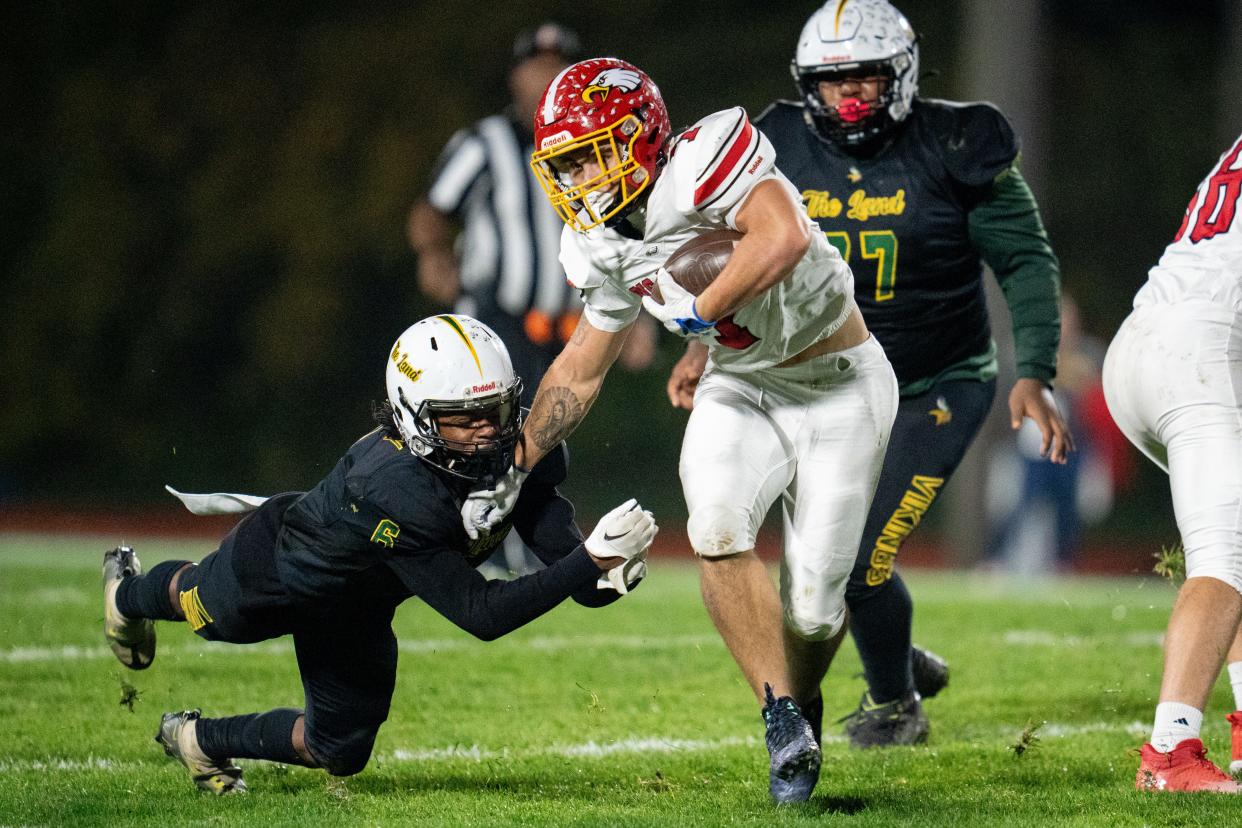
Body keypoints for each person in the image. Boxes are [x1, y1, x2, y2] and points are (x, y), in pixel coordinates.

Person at [462, 57, 900, 803]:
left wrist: (700, 312)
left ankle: (804, 696)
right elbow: (582, 364)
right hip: (742, 386)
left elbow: (783, 237)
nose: (579, 183)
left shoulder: (705, 158)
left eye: (590, 157)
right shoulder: (598, 239)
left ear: (639, 135)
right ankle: (782, 715)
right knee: (717, 524)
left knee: (818, 605)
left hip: (840, 384)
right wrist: (515, 465)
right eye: (565, 167)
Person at [665, 0, 1073, 747]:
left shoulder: (955, 145)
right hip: (822, 382)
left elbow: (1023, 259)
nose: (849, 99)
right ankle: (891, 648)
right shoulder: (777, 141)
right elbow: (735, 255)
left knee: (856, 560)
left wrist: (1035, 370)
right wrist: (702, 346)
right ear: (804, 86)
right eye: (831, 84)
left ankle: (894, 703)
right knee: (817, 568)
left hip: (932, 385)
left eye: (866, 81)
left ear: (903, 76)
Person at [101, 314, 656, 794]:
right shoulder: (392, 488)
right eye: (464, 419)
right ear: (415, 417)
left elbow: (551, 531)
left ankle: (198, 740)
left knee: (339, 751)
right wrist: (588, 561)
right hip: (285, 567)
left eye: (496, 409)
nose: (488, 431)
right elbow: (482, 614)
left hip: (357, 608)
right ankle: (124, 594)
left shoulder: (520, 439)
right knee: (200, 607)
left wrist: (599, 571)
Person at [408, 23, 654, 576]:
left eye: (558, 64)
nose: (546, 75)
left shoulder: (598, 146)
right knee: (492, 428)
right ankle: (475, 534)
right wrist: (434, 255)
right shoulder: (485, 143)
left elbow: (622, 238)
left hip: (569, 322)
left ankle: (505, 537)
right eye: (536, 65)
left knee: (547, 432)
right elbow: (432, 210)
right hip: (495, 315)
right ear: (515, 76)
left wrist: (635, 315)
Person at [1103, 134, 1242, 793]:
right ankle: (1170, 753)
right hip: (1200, 348)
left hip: (1143, 341)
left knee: (1238, 543)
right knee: (1225, 555)